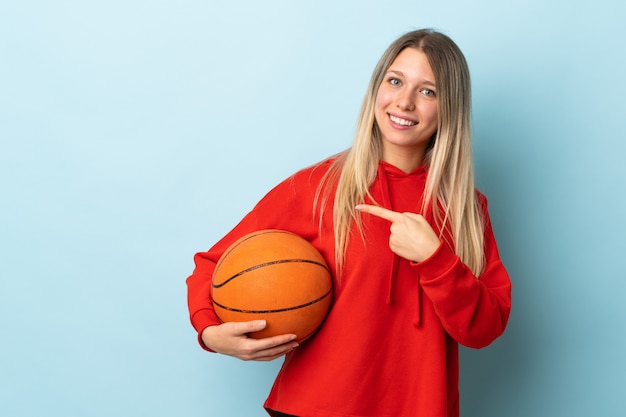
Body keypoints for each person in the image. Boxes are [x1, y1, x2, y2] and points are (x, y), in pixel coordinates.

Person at [186, 28, 512, 417]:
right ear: (377, 88)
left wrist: (436, 260)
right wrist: (210, 331)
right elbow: (211, 265)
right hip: (312, 407)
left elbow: (485, 329)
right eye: (395, 81)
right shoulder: (319, 187)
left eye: (428, 91)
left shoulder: (465, 208)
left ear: (449, 108)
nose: (404, 102)